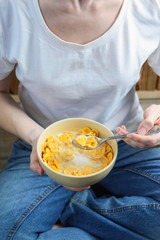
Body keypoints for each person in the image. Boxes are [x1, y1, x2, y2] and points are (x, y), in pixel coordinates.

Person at [0, 0, 160, 239]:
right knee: (7, 231)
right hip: (40, 147)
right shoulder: (10, 8)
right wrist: (36, 137)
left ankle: (73, 208)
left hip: (127, 140)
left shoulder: (149, 6)